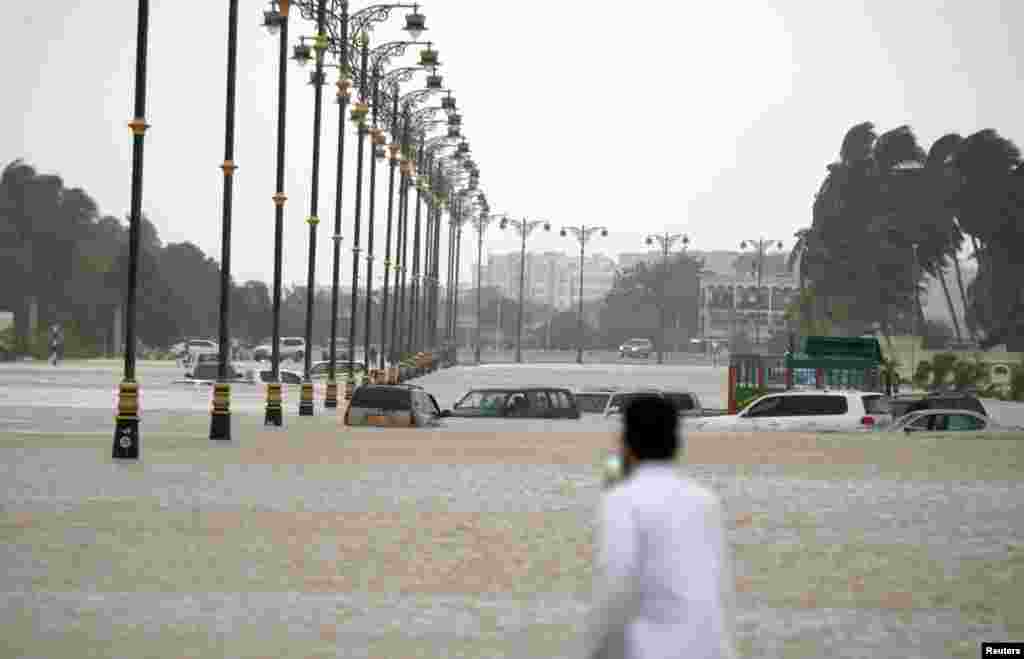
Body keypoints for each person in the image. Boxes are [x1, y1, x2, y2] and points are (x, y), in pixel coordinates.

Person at [581, 395, 736, 659]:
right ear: (677, 443)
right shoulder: (706, 500)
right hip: (712, 648)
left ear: (625, 442)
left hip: (653, 648)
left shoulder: (623, 499)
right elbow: (722, 592)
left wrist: (598, 651)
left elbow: (616, 585)